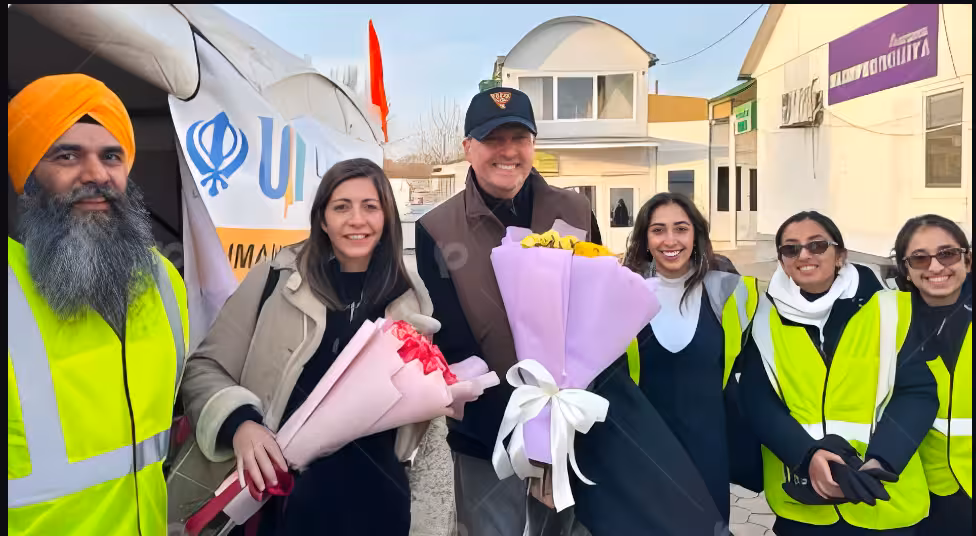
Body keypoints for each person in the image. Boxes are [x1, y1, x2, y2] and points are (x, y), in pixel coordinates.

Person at [178, 159, 452, 535]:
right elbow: (203, 368)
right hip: (280, 503)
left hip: (377, 507)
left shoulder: (413, 303)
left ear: (387, 217)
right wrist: (242, 426)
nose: (357, 219)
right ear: (322, 219)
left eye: (370, 207)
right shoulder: (276, 279)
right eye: (342, 207)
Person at [7, 73, 189, 535]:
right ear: (27, 177)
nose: (95, 175)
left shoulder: (165, 282)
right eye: (66, 156)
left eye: (111, 157)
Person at [415, 87, 601, 536]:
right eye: (493, 139)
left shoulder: (574, 210)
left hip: (566, 428)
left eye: (519, 137)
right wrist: (523, 433)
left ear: (533, 145)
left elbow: (596, 310)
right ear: (468, 149)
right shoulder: (436, 229)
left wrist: (555, 428)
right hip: (485, 432)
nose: (508, 152)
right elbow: (453, 342)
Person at [739, 211, 938, 535]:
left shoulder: (890, 308)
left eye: (817, 245)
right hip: (804, 502)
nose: (804, 255)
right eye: (791, 249)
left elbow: (917, 393)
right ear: (782, 261)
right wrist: (807, 456)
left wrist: (882, 462)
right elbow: (758, 402)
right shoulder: (764, 319)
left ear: (840, 255)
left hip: (882, 497)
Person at [617, 193, 761, 521]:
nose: (670, 240)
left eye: (681, 228)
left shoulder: (731, 294)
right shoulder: (622, 293)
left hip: (707, 454)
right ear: (645, 238)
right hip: (643, 453)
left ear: (695, 234)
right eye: (658, 230)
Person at [891, 214, 972, 535]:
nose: (936, 267)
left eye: (947, 253)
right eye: (920, 258)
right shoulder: (886, 320)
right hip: (915, 489)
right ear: (906, 269)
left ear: (967, 258)